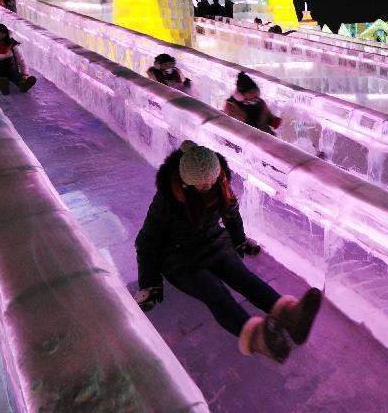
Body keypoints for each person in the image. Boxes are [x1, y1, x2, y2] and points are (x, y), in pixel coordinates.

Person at [134, 141, 323, 362]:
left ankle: (291, 317)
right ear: (187, 182)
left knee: (243, 278)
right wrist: (150, 284)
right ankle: (256, 337)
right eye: (203, 183)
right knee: (214, 291)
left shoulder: (220, 181)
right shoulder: (167, 199)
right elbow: (146, 241)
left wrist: (240, 241)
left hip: (213, 242)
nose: (209, 184)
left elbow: (231, 213)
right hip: (178, 257)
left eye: (212, 179)